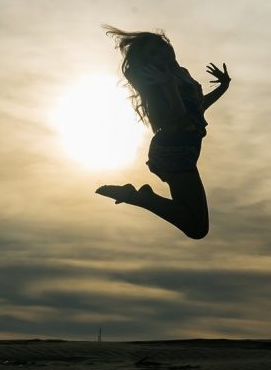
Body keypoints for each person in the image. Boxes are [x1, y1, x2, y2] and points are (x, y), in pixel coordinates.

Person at [95, 25, 230, 239]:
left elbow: (197, 108)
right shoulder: (158, 81)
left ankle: (143, 197)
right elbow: (177, 116)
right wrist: (168, 87)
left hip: (185, 150)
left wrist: (224, 86)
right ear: (148, 61)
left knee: (197, 225)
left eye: (162, 46)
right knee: (197, 229)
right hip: (173, 151)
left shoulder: (181, 74)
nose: (163, 52)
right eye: (154, 52)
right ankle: (140, 198)